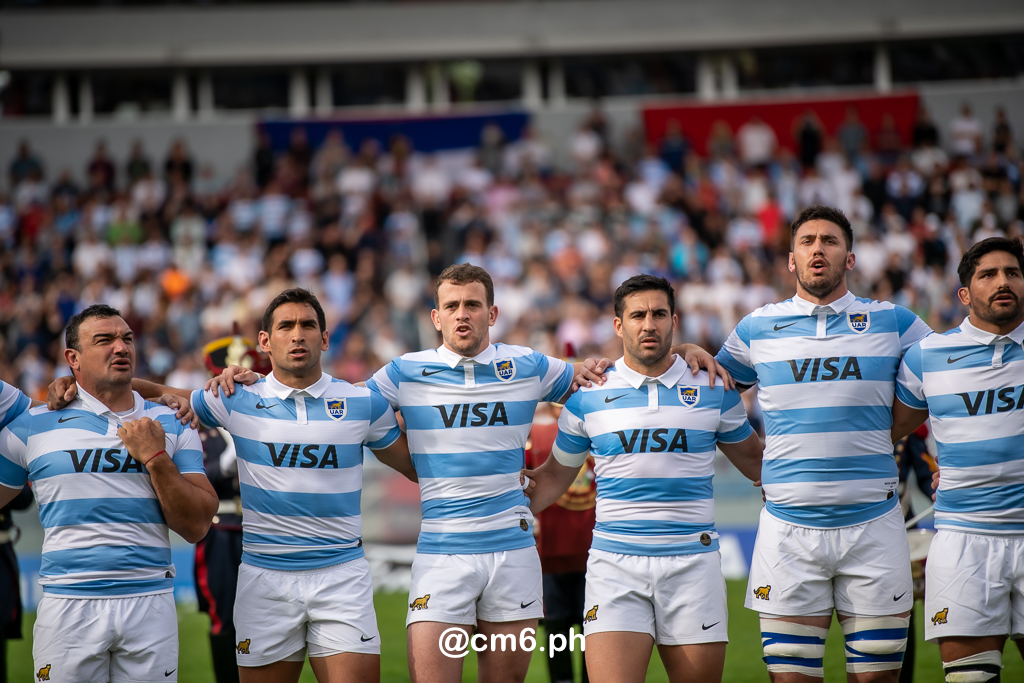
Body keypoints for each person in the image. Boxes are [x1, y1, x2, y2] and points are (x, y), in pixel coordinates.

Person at [714, 205, 932, 682]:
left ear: (849, 258)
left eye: (830, 241)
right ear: (791, 259)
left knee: (877, 677)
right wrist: (755, 461)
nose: (818, 249)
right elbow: (714, 392)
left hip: (874, 527)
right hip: (788, 532)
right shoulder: (757, 327)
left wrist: (885, 434)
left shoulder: (894, 321)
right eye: (807, 241)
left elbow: (950, 371)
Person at [526, 274, 763, 683]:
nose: (648, 324)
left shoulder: (713, 387)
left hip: (693, 564)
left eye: (658, 314)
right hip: (614, 567)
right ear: (619, 325)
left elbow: (759, 465)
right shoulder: (588, 395)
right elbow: (551, 480)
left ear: (674, 320)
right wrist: (487, 494)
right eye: (638, 315)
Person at [0, 304, 218, 683]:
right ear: (73, 358)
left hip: (149, 602)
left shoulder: (173, 421)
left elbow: (197, 525)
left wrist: (156, 458)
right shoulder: (32, 425)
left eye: (127, 338)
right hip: (67, 604)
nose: (121, 347)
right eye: (104, 340)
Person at [892, 236, 1024, 683]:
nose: (1003, 282)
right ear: (964, 294)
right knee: (970, 678)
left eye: (1012, 273)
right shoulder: (926, 357)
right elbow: (884, 432)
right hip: (964, 540)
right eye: (988, 275)